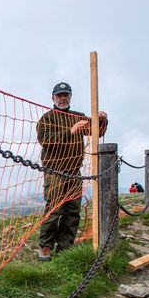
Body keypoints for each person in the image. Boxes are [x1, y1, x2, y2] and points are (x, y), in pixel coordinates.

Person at [37, 82, 108, 261]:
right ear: (53, 98)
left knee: (72, 210)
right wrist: (70, 131)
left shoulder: (79, 116)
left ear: (70, 97)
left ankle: (65, 247)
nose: (63, 98)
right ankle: (45, 247)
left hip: (74, 171)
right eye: (59, 95)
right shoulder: (47, 118)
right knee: (54, 210)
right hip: (54, 171)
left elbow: (96, 132)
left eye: (66, 95)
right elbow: (45, 140)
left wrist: (102, 119)